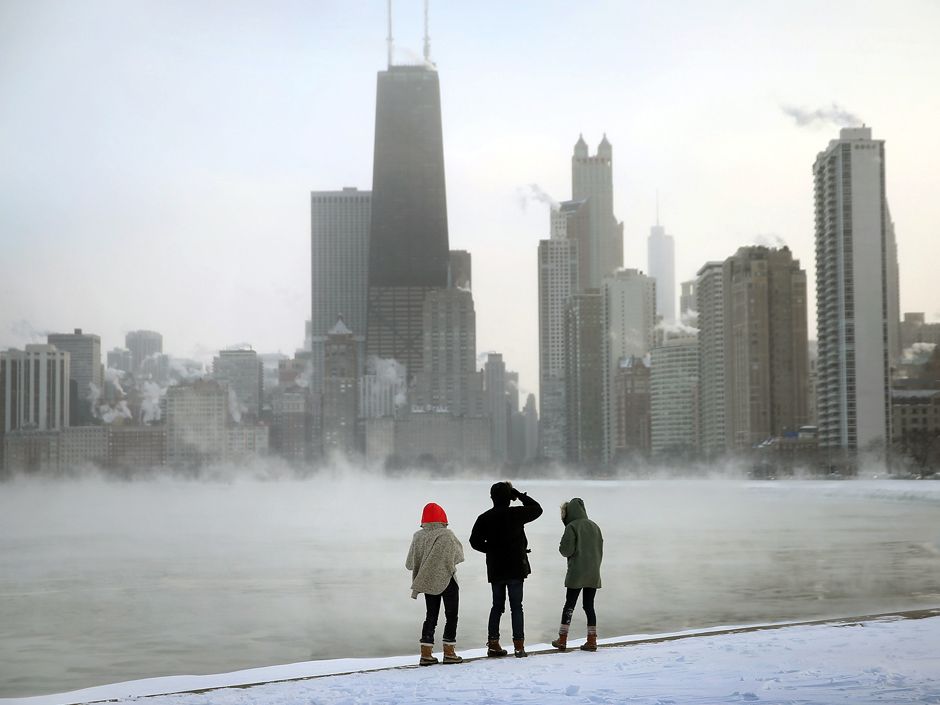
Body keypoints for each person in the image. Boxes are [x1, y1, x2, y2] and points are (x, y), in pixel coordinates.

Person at [469, 481, 542, 658]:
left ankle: (493, 644)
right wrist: (518, 493)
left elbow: (474, 541)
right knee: (517, 607)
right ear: (509, 498)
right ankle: (519, 647)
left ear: (492, 498)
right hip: (516, 567)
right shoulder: (516, 514)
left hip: (496, 569)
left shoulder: (484, 518)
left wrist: (491, 549)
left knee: (497, 607)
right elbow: (537, 508)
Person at [405, 502, 465, 666]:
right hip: (448, 581)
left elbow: (410, 563)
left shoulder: (418, 536)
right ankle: (449, 652)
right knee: (451, 616)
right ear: (443, 518)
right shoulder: (447, 535)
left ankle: (426, 654)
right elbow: (459, 556)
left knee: (431, 616)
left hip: (428, 581)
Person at [550, 497, 603, 652]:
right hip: (594, 572)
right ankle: (592, 641)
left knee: (569, 605)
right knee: (589, 606)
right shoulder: (595, 526)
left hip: (577, 572)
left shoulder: (572, 527)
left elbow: (565, 551)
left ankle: (562, 639)